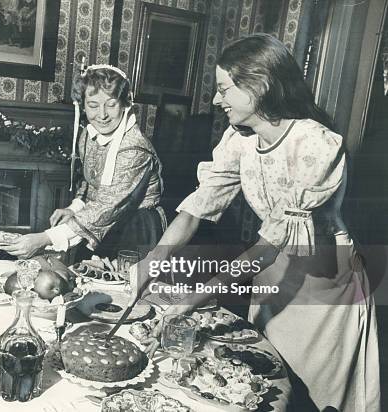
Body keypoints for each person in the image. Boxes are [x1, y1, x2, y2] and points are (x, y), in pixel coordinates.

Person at [131, 34, 380, 411]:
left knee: (314, 398)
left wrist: (194, 297)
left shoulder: (315, 144)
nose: (216, 101)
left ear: (259, 86)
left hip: (323, 287)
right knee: (264, 382)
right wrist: (153, 261)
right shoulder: (239, 139)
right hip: (272, 277)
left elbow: (272, 242)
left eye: (224, 89)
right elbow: (197, 207)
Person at [2, 65, 166, 261]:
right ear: (83, 104)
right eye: (93, 105)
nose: (102, 114)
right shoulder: (89, 134)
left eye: (111, 104)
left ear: (125, 104)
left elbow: (108, 205)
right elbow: (90, 179)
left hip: (135, 230)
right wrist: (74, 207)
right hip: (99, 223)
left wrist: (45, 238)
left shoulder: (134, 149)